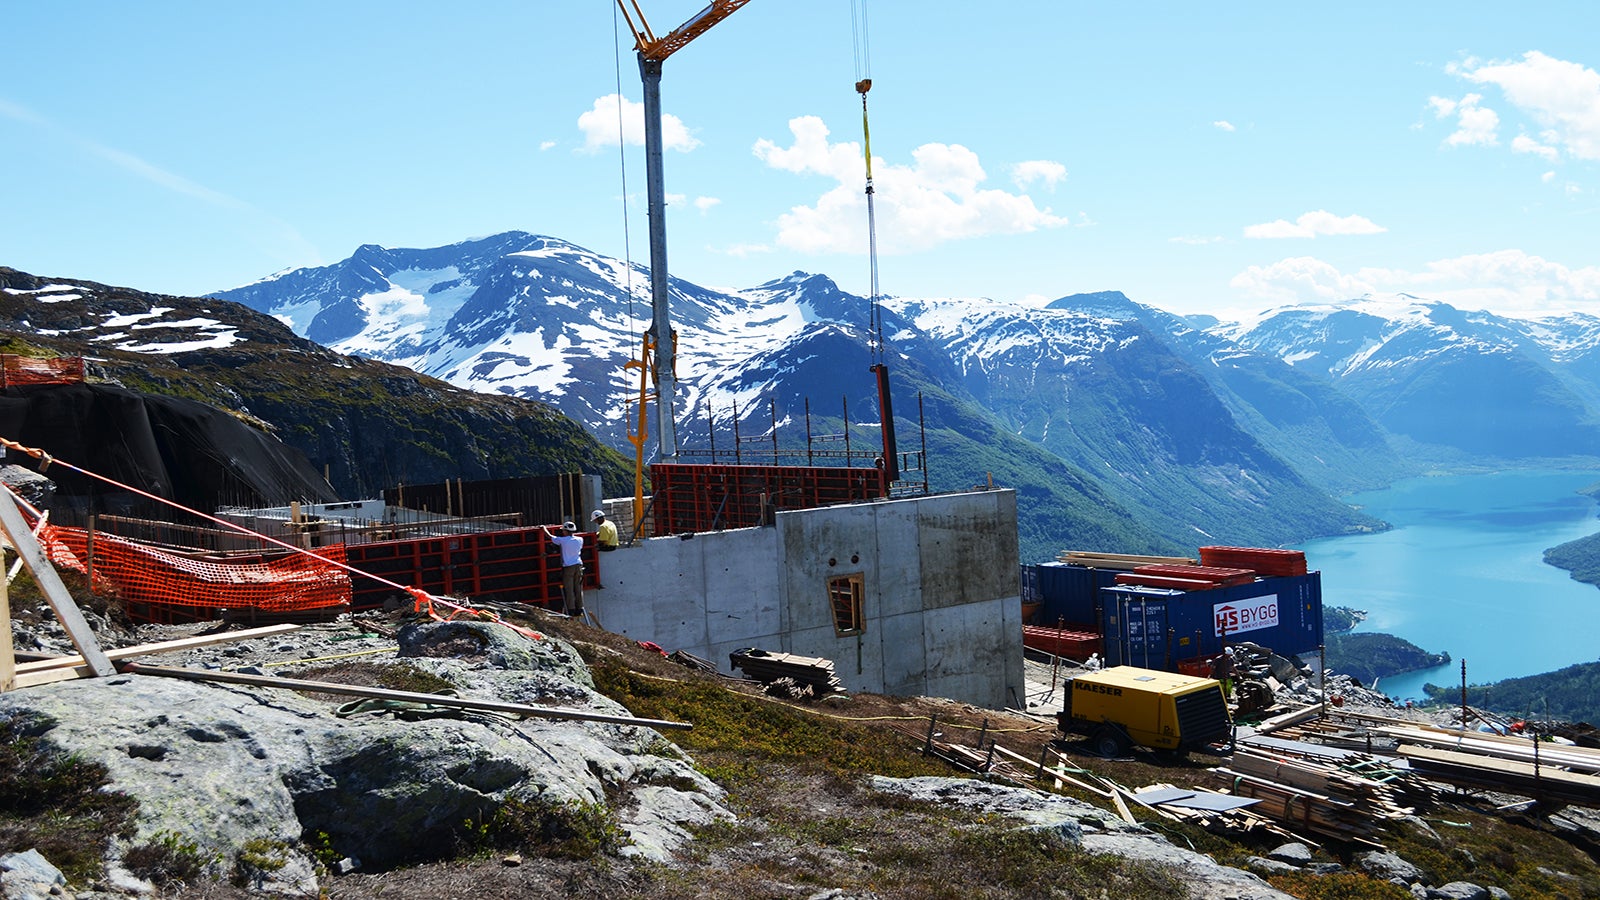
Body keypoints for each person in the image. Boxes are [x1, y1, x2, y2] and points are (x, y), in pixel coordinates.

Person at [542, 521, 585, 616]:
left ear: (566, 531)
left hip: (568, 567)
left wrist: (543, 528)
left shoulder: (562, 540)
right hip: (578, 566)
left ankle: (571, 609)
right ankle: (580, 608)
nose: (562, 532)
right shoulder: (580, 540)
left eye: (563, 530)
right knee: (578, 588)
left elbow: (549, 536)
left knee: (569, 589)